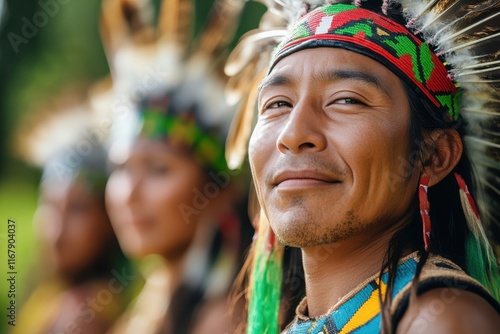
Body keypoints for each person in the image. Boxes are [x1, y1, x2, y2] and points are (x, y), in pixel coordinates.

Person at [224, 0, 500, 333]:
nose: (293, 134)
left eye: (347, 100)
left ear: (435, 154)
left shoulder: (440, 319)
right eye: (278, 104)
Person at [99, 0, 252, 333]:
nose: (128, 193)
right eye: (120, 169)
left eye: (157, 170)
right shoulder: (148, 309)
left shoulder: (224, 320)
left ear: (219, 190)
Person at [13, 94, 130, 334]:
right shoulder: (49, 299)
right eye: (51, 205)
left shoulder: (85, 319)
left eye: (77, 208)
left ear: (108, 219)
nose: (58, 228)